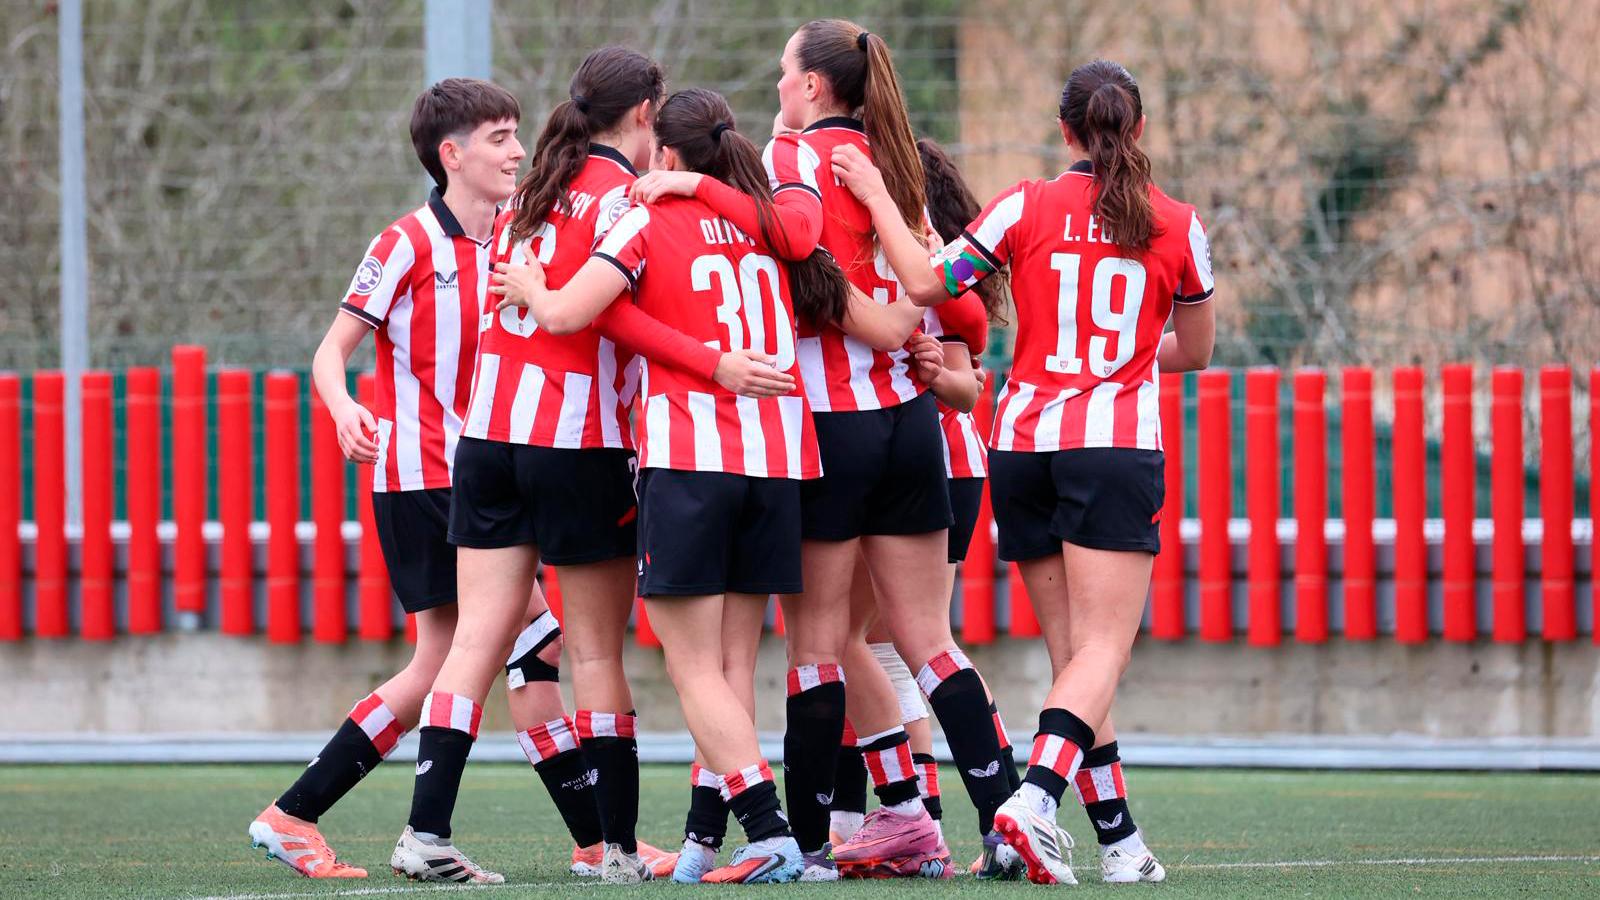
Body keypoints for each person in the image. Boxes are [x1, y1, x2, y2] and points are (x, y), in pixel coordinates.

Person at [833, 58, 1216, 885]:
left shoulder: (1024, 205)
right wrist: (1122, 355)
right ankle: (1033, 801)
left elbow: (926, 282)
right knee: (1102, 652)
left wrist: (873, 196)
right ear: (1140, 129)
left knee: (1075, 658)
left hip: (1023, 445)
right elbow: (1195, 349)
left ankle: (1120, 844)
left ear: (1064, 131)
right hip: (1112, 447)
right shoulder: (1178, 223)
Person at [495, 87, 855, 885]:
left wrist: (533, 291)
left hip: (693, 457)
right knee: (730, 669)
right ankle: (704, 839)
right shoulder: (765, 223)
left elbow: (575, 314)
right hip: (777, 462)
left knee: (692, 668)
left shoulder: (646, 214)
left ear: (664, 150)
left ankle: (769, 833)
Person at [247, 78, 569, 881]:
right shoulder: (406, 243)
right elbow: (331, 352)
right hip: (424, 476)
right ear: (451, 154)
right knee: (521, 641)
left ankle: (296, 814)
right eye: (499, 137)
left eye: (517, 134)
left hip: (483, 476)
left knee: (459, 660)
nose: (517, 150)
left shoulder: (521, 235)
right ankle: (587, 842)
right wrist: (343, 407)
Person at [761, 18, 1016, 878]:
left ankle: (807, 848)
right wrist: (906, 325)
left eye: (785, 72)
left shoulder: (788, 159)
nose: (778, 86)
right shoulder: (895, 167)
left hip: (826, 427)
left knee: (816, 647)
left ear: (812, 86)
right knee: (927, 640)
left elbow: (790, 267)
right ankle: (1004, 823)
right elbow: (934, 288)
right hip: (910, 424)